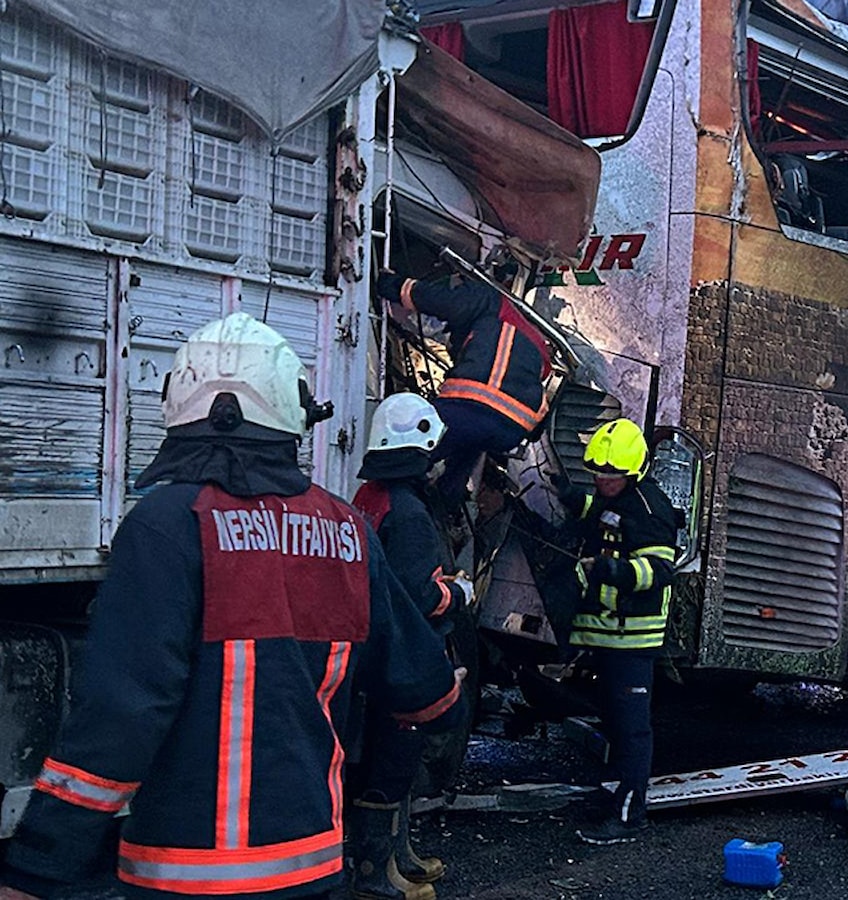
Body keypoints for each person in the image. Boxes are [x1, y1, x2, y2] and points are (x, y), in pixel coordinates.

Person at [0, 313, 464, 900]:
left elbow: (121, 713)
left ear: (181, 407)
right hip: (313, 866)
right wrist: (446, 704)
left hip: (188, 875)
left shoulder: (168, 526)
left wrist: (41, 865)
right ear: (292, 413)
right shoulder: (348, 530)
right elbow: (420, 681)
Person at [348, 393, 476, 900]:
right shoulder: (410, 515)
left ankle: (398, 859)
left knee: (384, 757)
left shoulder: (371, 497)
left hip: (371, 653)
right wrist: (458, 592)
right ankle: (376, 876)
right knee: (394, 760)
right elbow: (418, 597)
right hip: (402, 658)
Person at [554, 418, 679, 845]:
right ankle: (614, 798)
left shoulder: (651, 510)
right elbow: (601, 513)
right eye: (597, 474)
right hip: (606, 635)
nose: (602, 481)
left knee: (632, 731)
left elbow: (661, 571)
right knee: (610, 725)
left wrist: (611, 571)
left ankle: (630, 817)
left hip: (633, 639)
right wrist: (570, 496)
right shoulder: (621, 498)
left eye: (610, 476)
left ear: (633, 472)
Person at [375, 270, 551, 507]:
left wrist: (395, 286)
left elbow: (445, 302)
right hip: (513, 429)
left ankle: (386, 500)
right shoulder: (531, 342)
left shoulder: (490, 300)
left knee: (411, 448)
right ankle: (446, 499)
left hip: (477, 405)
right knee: (468, 447)